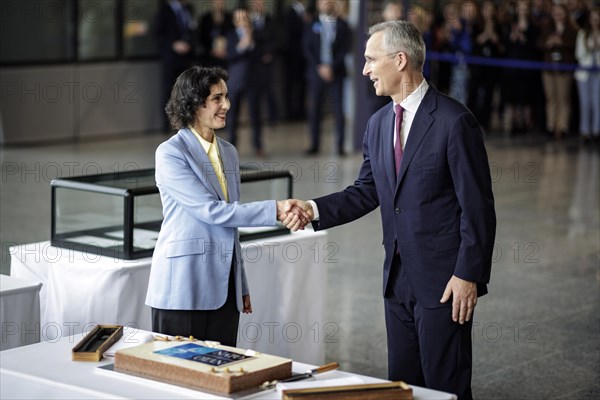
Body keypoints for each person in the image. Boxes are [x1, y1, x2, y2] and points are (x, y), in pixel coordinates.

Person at [284, 21, 496, 399]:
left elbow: (477, 208)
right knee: (403, 384)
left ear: (400, 60)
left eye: (370, 59)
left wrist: (468, 274)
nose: (364, 69)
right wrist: (313, 209)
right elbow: (367, 190)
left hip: (444, 283)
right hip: (396, 280)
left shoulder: (454, 121)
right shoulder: (379, 123)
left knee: (445, 386)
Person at [145, 66, 303, 346]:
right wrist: (275, 209)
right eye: (217, 98)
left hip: (224, 291)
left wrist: (238, 283)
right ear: (194, 102)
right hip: (184, 288)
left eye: (226, 97)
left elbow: (229, 228)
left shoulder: (228, 152)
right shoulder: (170, 153)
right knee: (182, 381)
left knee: (220, 375)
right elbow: (212, 211)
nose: (227, 105)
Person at [303, 0, 350, 155]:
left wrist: (331, 67)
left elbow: (345, 48)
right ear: (318, 5)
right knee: (315, 109)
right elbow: (306, 48)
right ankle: (314, 145)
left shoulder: (343, 25)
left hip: (336, 73)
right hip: (316, 72)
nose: (326, 4)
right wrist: (320, 67)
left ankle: (340, 146)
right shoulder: (311, 24)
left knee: (338, 110)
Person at [155, 0, 196, 133]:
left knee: (186, 90)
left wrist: (189, 43)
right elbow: (158, 34)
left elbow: (191, 29)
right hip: (171, 58)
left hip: (186, 57)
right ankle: (166, 125)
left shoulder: (188, 9)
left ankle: (184, 122)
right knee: (168, 90)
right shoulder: (164, 9)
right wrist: (173, 44)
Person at [574, 7, 600, 143]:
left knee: (597, 103)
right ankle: (585, 131)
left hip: (598, 74)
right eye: (593, 17)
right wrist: (591, 48)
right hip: (584, 73)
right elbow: (578, 54)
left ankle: (596, 131)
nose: (595, 20)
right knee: (585, 103)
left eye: (597, 17)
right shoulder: (582, 34)